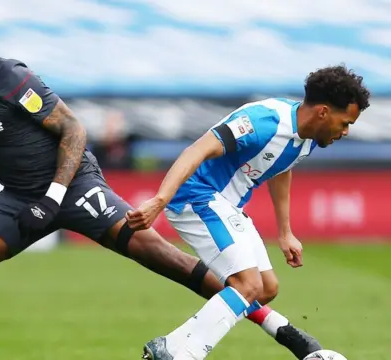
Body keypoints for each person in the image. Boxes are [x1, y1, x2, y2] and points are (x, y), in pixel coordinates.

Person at [0, 1, 322, 359]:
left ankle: (285, 333)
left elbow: (73, 129)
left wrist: (56, 194)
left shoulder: (7, 75)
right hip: (21, 199)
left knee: (172, 264)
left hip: (77, 188)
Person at [127, 65, 371, 360]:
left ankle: (169, 346)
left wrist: (285, 232)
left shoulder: (307, 135)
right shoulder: (262, 122)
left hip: (226, 205)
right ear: (322, 112)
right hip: (197, 197)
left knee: (266, 288)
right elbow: (196, 150)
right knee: (248, 284)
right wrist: (160, 200)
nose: (345, 132)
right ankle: (185, 354)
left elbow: (282, 168)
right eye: (345, 123)